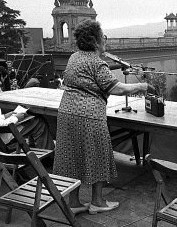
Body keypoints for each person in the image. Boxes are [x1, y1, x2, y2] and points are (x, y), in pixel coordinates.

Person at [52, 20, 156, 215]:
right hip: (89, 116)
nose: (104, 40)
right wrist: (142, 87)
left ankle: (73, 202)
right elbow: (115, 88)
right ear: (95, 40)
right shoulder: (96, 62)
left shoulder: (74, 57)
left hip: (66, 113)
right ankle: (97, 202)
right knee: (97, 156)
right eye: (103, 37)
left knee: (72, 157)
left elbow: (87, 79)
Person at [0, 66, 55, 150]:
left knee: (33, 118)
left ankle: (36, 149)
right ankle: (48, 157)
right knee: (39, 122)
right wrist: (15, 118)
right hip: (1, 136)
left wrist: (6, 116)